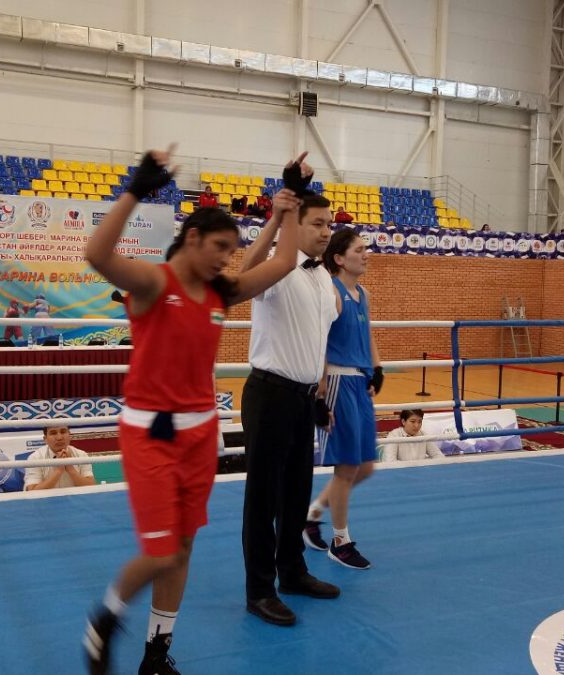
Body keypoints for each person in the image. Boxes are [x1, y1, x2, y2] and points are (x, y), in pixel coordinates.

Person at [81, 145, 303, 675]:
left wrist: (291, 200)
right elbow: (97, 255)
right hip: (152, 435)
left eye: (232, 250)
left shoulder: (219, 293)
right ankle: (106, 617)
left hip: (201, 435)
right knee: (160, 552)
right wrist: (137, 189)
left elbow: (283, 262)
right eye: (220, 247)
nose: (226, 258)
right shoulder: (154, 283)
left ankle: (156, 654)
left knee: (181, 550)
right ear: (193, 237)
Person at [240, 158, 342, 628]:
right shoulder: (276, 271)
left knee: (297, 493)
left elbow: (316, 340)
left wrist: (318, 395)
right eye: (317, 223)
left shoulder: (322, 277)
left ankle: (292, 572)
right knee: (263, 498)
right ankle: (259, 589)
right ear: (295, 225)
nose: (326, 231)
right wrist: (279, 211)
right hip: (270, 395)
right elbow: (244, 272)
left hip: (302, 398)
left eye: (329, 224)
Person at [301, 228, 383, 571]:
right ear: (339, 258)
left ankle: (312, 514)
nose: (366, 254)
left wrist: (377, 368)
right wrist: (320, 395)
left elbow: (367, 333)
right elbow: (318, 342)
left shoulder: (362, 293)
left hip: (359, 382)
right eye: (359, 249)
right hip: (336, 381)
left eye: (366, 249)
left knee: (365, 467)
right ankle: (340, 541)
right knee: (346, 467)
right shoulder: (331, 293)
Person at [24, 426, 96, 490]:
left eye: (63, 432)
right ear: (45, 439)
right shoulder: (35, 458)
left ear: (69, 435)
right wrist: (58, 471)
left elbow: (91, 486)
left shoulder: (81, 455)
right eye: (53, 433)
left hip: (76, 499)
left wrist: (71, 469)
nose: (59, 438)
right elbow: (32, 490)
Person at [380, 409, 445, 462]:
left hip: (420, 472)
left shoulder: (423, 435)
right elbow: (390, 461)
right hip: (400, 473)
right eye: (413, 421)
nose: (416, 425)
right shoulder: (394, 436)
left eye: (419, 422)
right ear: (403, 422)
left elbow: (438, 455)